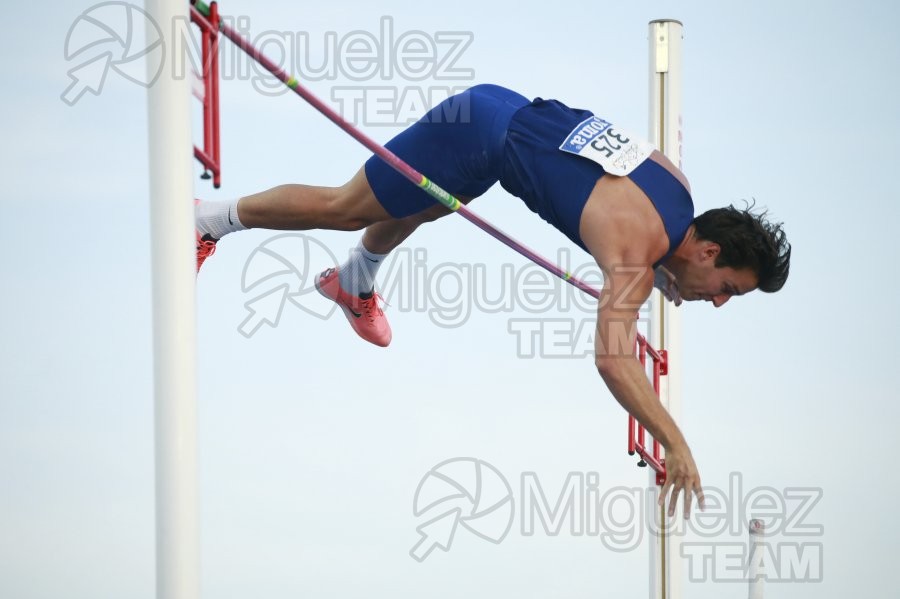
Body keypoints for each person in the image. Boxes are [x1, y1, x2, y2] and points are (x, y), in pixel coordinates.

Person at [194, 83, 791, 518]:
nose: (717, 304)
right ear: (709, 251)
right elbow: (613, 359)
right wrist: (675, 442)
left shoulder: (675, 189)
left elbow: (602, 183)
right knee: (348, 206)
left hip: (497, 113)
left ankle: (355, 282)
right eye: (728, 291)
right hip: (481, 140)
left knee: (418, 204)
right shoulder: (637, 255)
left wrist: (664, 271)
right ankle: (209, 222)